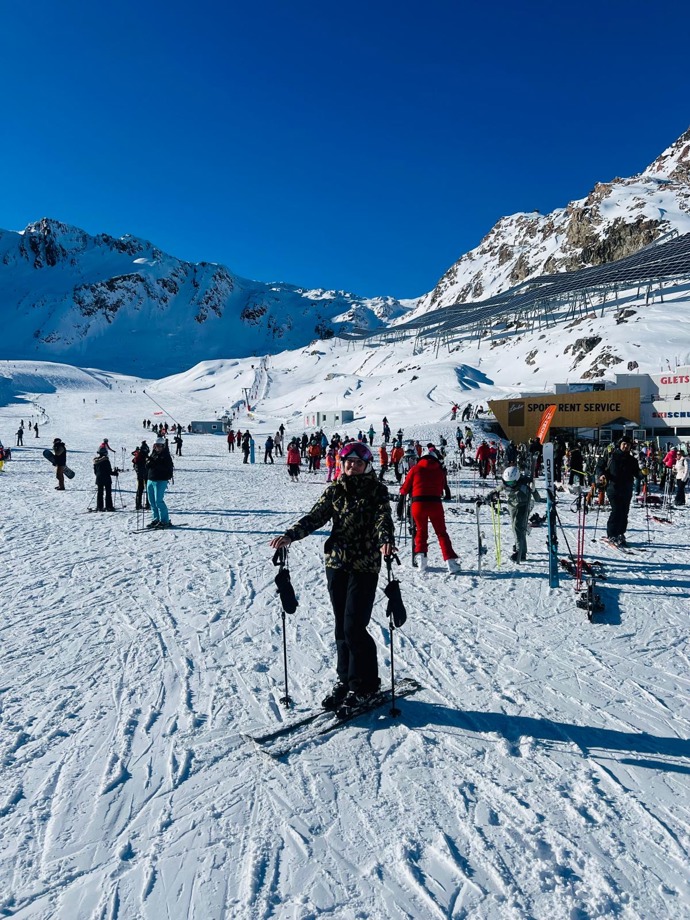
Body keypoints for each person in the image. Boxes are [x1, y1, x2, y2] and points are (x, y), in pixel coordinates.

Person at [269, 441, 395, 708]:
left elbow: (383, 518)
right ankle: (345, 680)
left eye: (358, 463)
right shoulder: (335, 491)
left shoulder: (376, 491)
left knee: (354, 627)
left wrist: (386, 539)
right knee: (341, 626)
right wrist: (291, 535)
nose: (352, 466)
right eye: (348, 462)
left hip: (365, 565)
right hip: (337, 564)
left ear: (366, 465)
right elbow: (316, 516)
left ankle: (367, 685)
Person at [399, 447, 461, 574]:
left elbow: (405, 488)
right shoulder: (439, 471)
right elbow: (442, 488)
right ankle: (450, 562)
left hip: (418, 504)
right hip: (435, 503)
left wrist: (401, 498)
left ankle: (422, 560)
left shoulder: (415, 469)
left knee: (421, 531)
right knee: (441, 533)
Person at [596, 435, 642, 547]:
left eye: (628, 445)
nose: (626, 446)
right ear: (620, 445)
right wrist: (601, 475)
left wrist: (643, 474)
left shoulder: (632, 460)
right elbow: (599, 466)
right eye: (624, 444)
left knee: (624, 512)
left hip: (626, 488)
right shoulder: (611, 456)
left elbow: (637, 473)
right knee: (616, 511)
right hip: (613, 488)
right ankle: (612, 534)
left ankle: (621, 533)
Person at [485, 466, 534, 563]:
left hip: (524, 505)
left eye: (511, 483)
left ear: (517, 479)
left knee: (518, 526)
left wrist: (533, 489)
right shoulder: (507, 483)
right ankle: (519, 543)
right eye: (507, 483)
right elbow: (500, 487)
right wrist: (491, 494)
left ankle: (521, 552)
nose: (509, 485)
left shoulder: (525, 484)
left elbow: (538, 498)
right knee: (515, 526)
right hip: (512, 505)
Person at [146, 437, 174, 528]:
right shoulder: (153, 454)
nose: (156, 447)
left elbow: (166, 468)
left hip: (160, 480)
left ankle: (164, 520)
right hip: (151, 479)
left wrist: (155, 463)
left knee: (159, 501)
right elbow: (149, 465)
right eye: (155, 445)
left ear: (163, 446)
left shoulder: (165, 456)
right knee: (152, 502)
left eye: (158, 446)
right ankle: (155, 519)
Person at [93, 446, 116, 511]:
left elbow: (95, 471)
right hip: (106, 479)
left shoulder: (96, 461)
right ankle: (109, 507)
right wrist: (115, 473)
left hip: (99, 478)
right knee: (108, 493)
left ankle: (99, 507)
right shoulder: (106, 460)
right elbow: (109, 471)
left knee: (100, 493)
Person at [132, 441, 150, 510]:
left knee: (140, 489)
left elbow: (134, 463)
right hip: (145, 475)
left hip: (140, 475)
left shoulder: (139, 455)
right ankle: (147, 504)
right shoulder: (143, 456)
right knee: (147, 489)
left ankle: (138, 504)